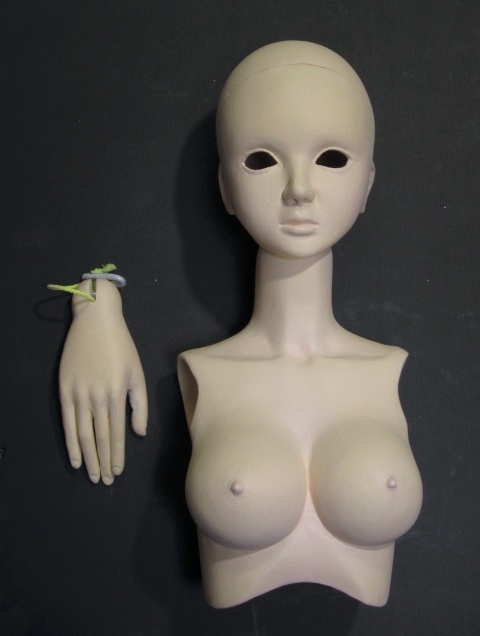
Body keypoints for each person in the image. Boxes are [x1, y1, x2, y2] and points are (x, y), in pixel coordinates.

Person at [58, 41, 422, 607]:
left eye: (331, 157)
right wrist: (94, 306)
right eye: (262, 159)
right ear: (226, 188)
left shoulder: (386, 368)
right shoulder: (205, 372)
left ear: (368, 184)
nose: (298, 189)